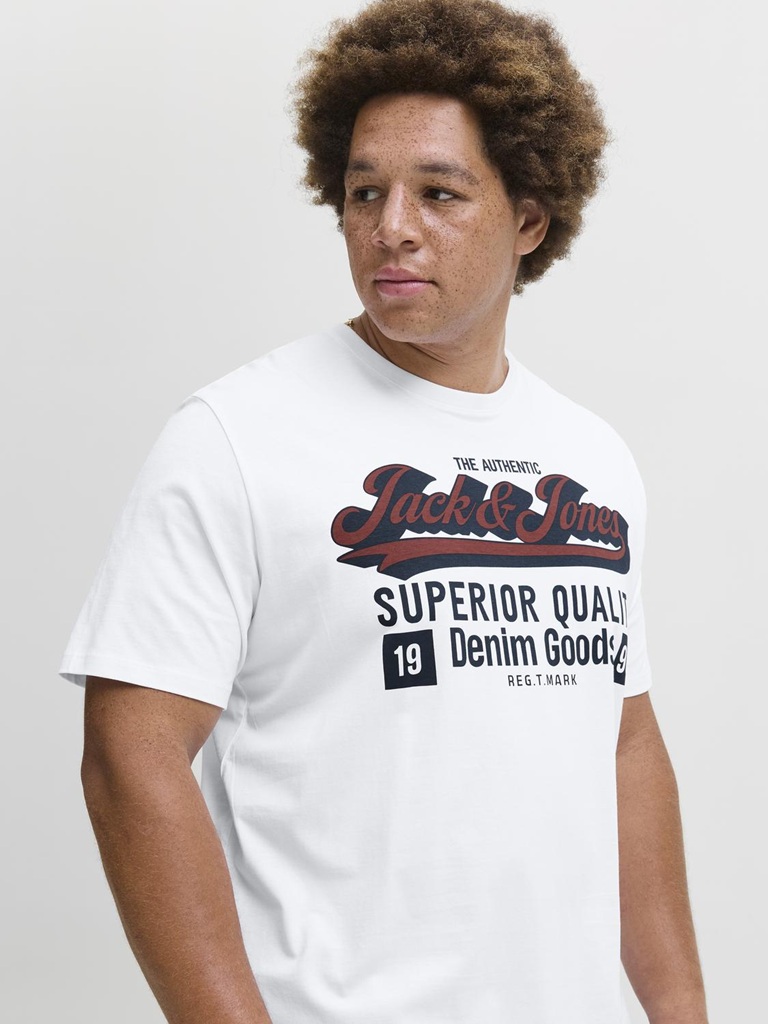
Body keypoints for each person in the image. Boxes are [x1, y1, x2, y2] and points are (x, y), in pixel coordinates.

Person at [58, 1, 709, 1022]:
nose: (391, 226)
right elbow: (128, 756)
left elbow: (624, 747)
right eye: (365, 191)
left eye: (439, 192)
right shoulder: (237, 436)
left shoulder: (591, 457)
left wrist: (683, 1013)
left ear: (529, 219)